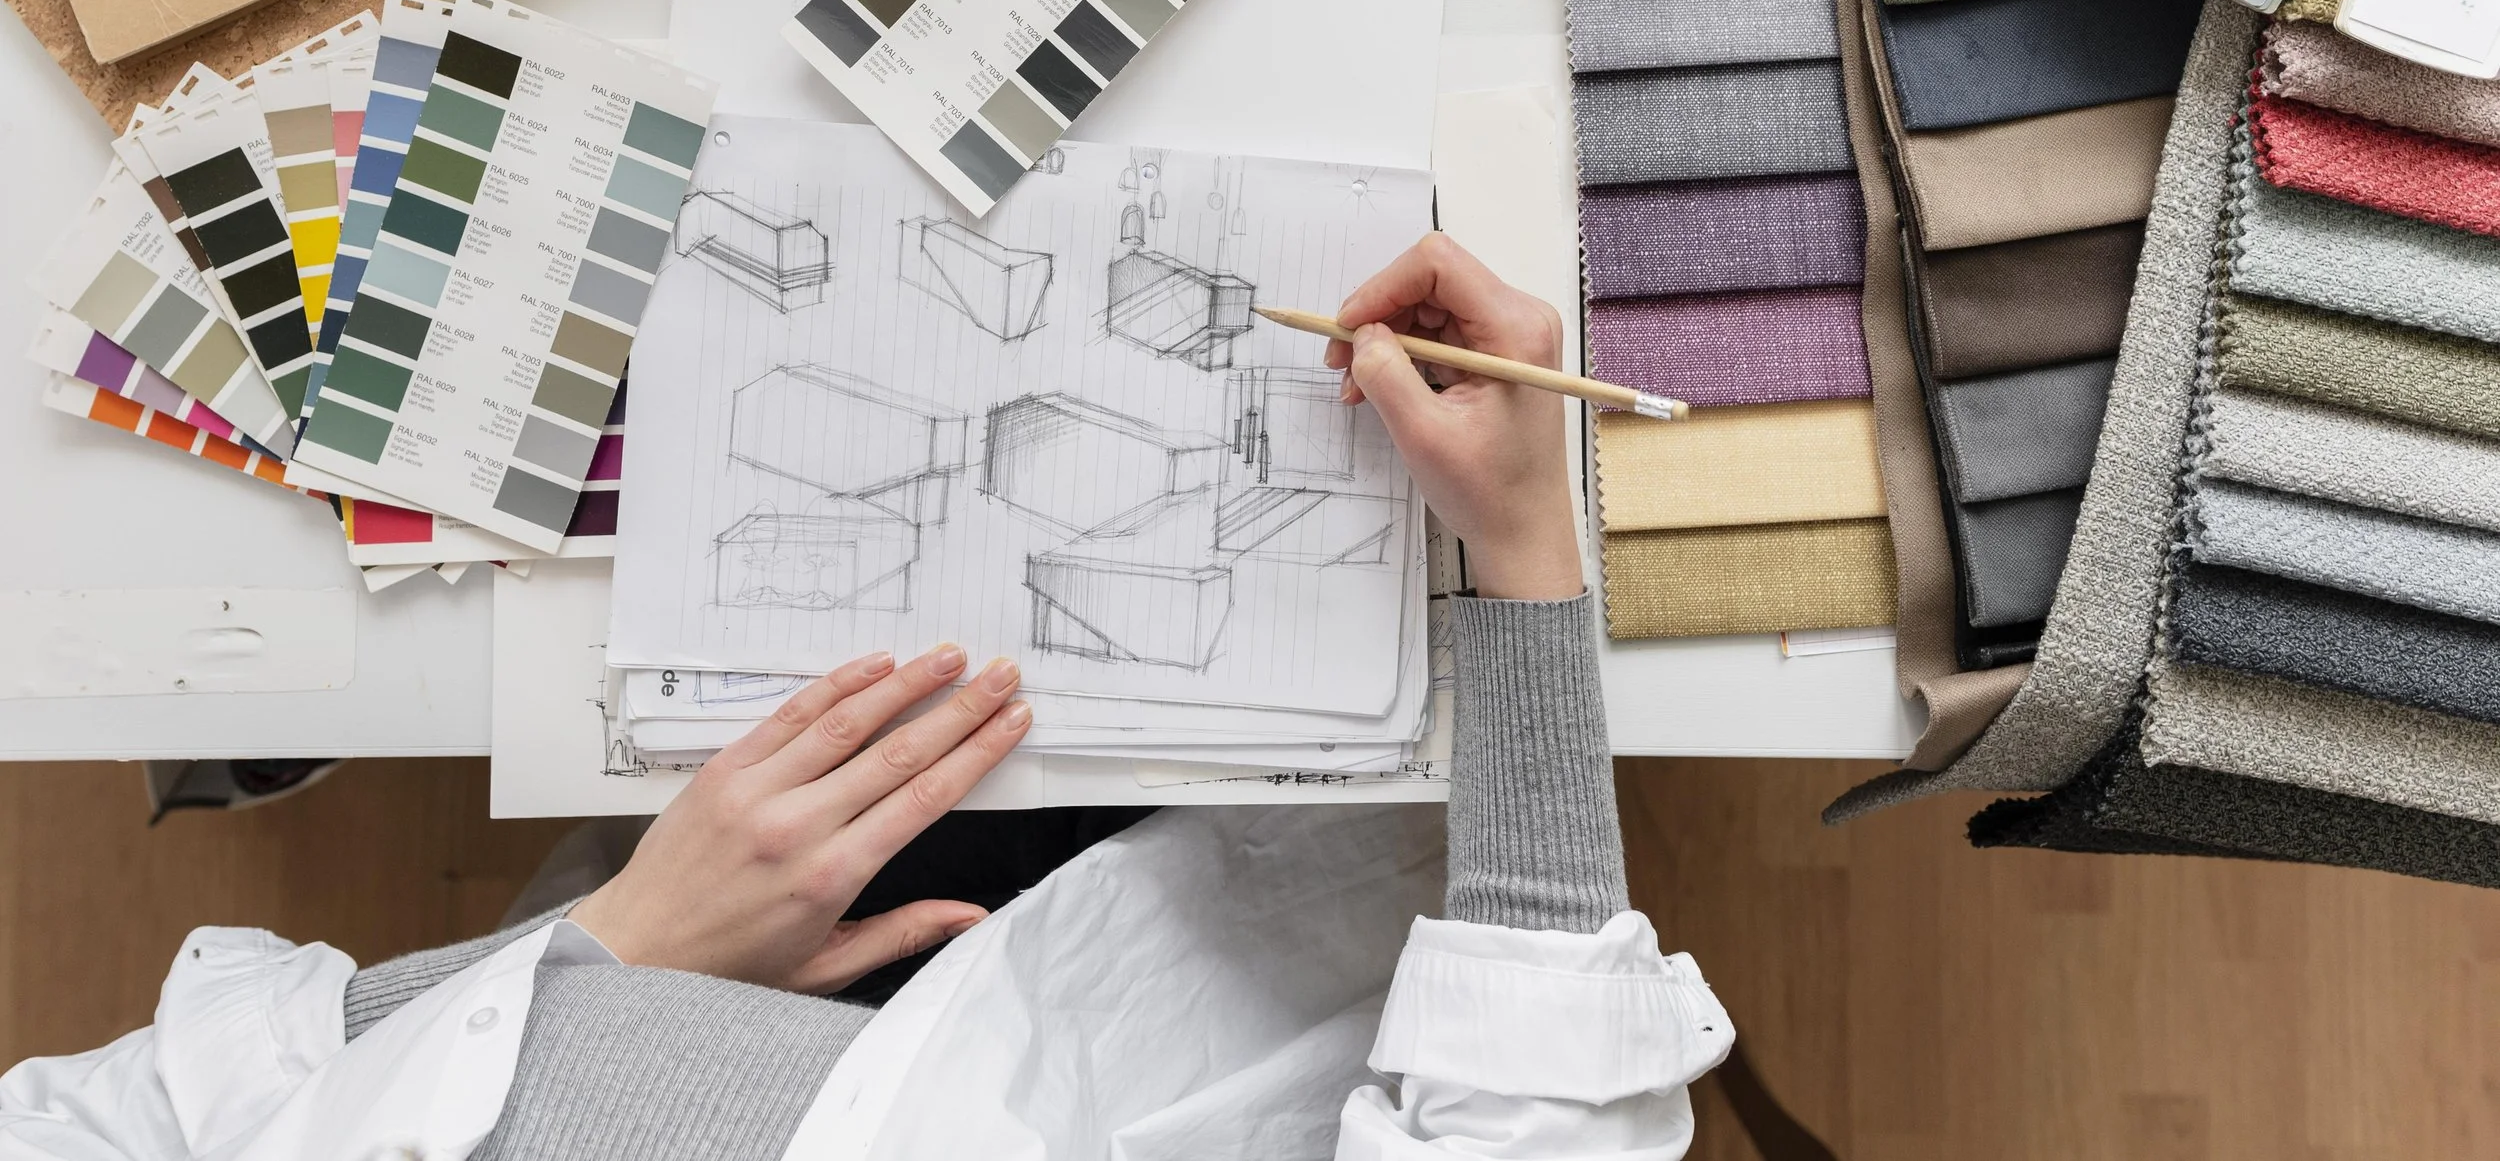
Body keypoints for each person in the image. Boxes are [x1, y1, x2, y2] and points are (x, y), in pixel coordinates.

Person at [0, 235, 1731, 1160]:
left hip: (680, 939)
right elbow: (1530, 1116)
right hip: (1137, 998)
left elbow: (147, 1115)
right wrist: (1522, 561)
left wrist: (606, 957)